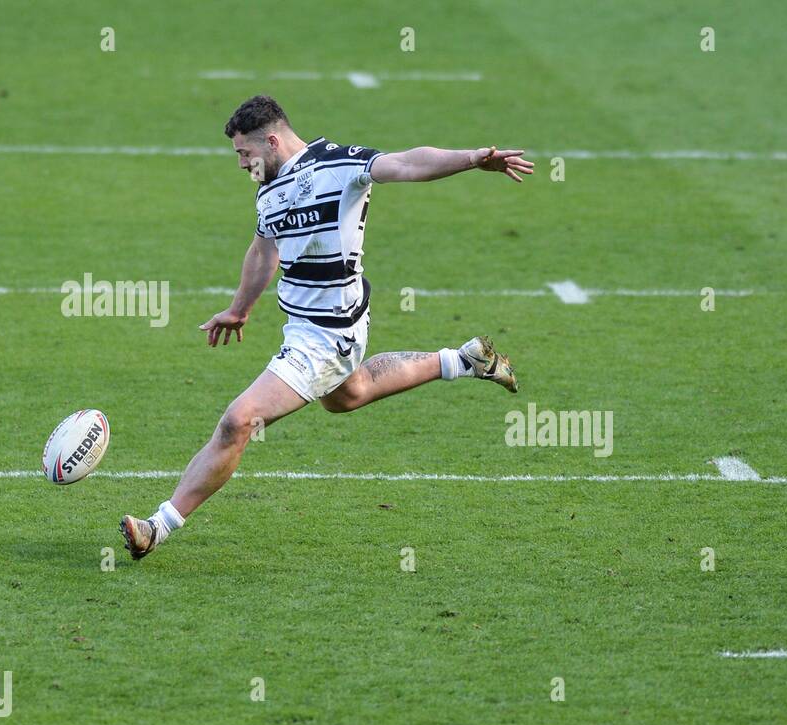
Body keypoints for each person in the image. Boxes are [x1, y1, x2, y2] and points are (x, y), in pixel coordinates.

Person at [121, 95, 530, 559]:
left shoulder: (339, 165)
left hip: (328, 334)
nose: (241, 163)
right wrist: (239, 308)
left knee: (238, 421)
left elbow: (407, 163)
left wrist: (472, 159)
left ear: (271, 141)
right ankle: (464, 360)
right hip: (306, 328)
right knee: (347, 395)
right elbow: (263, 250)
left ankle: (157, 526)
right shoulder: (269, 188)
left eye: (244, 153)